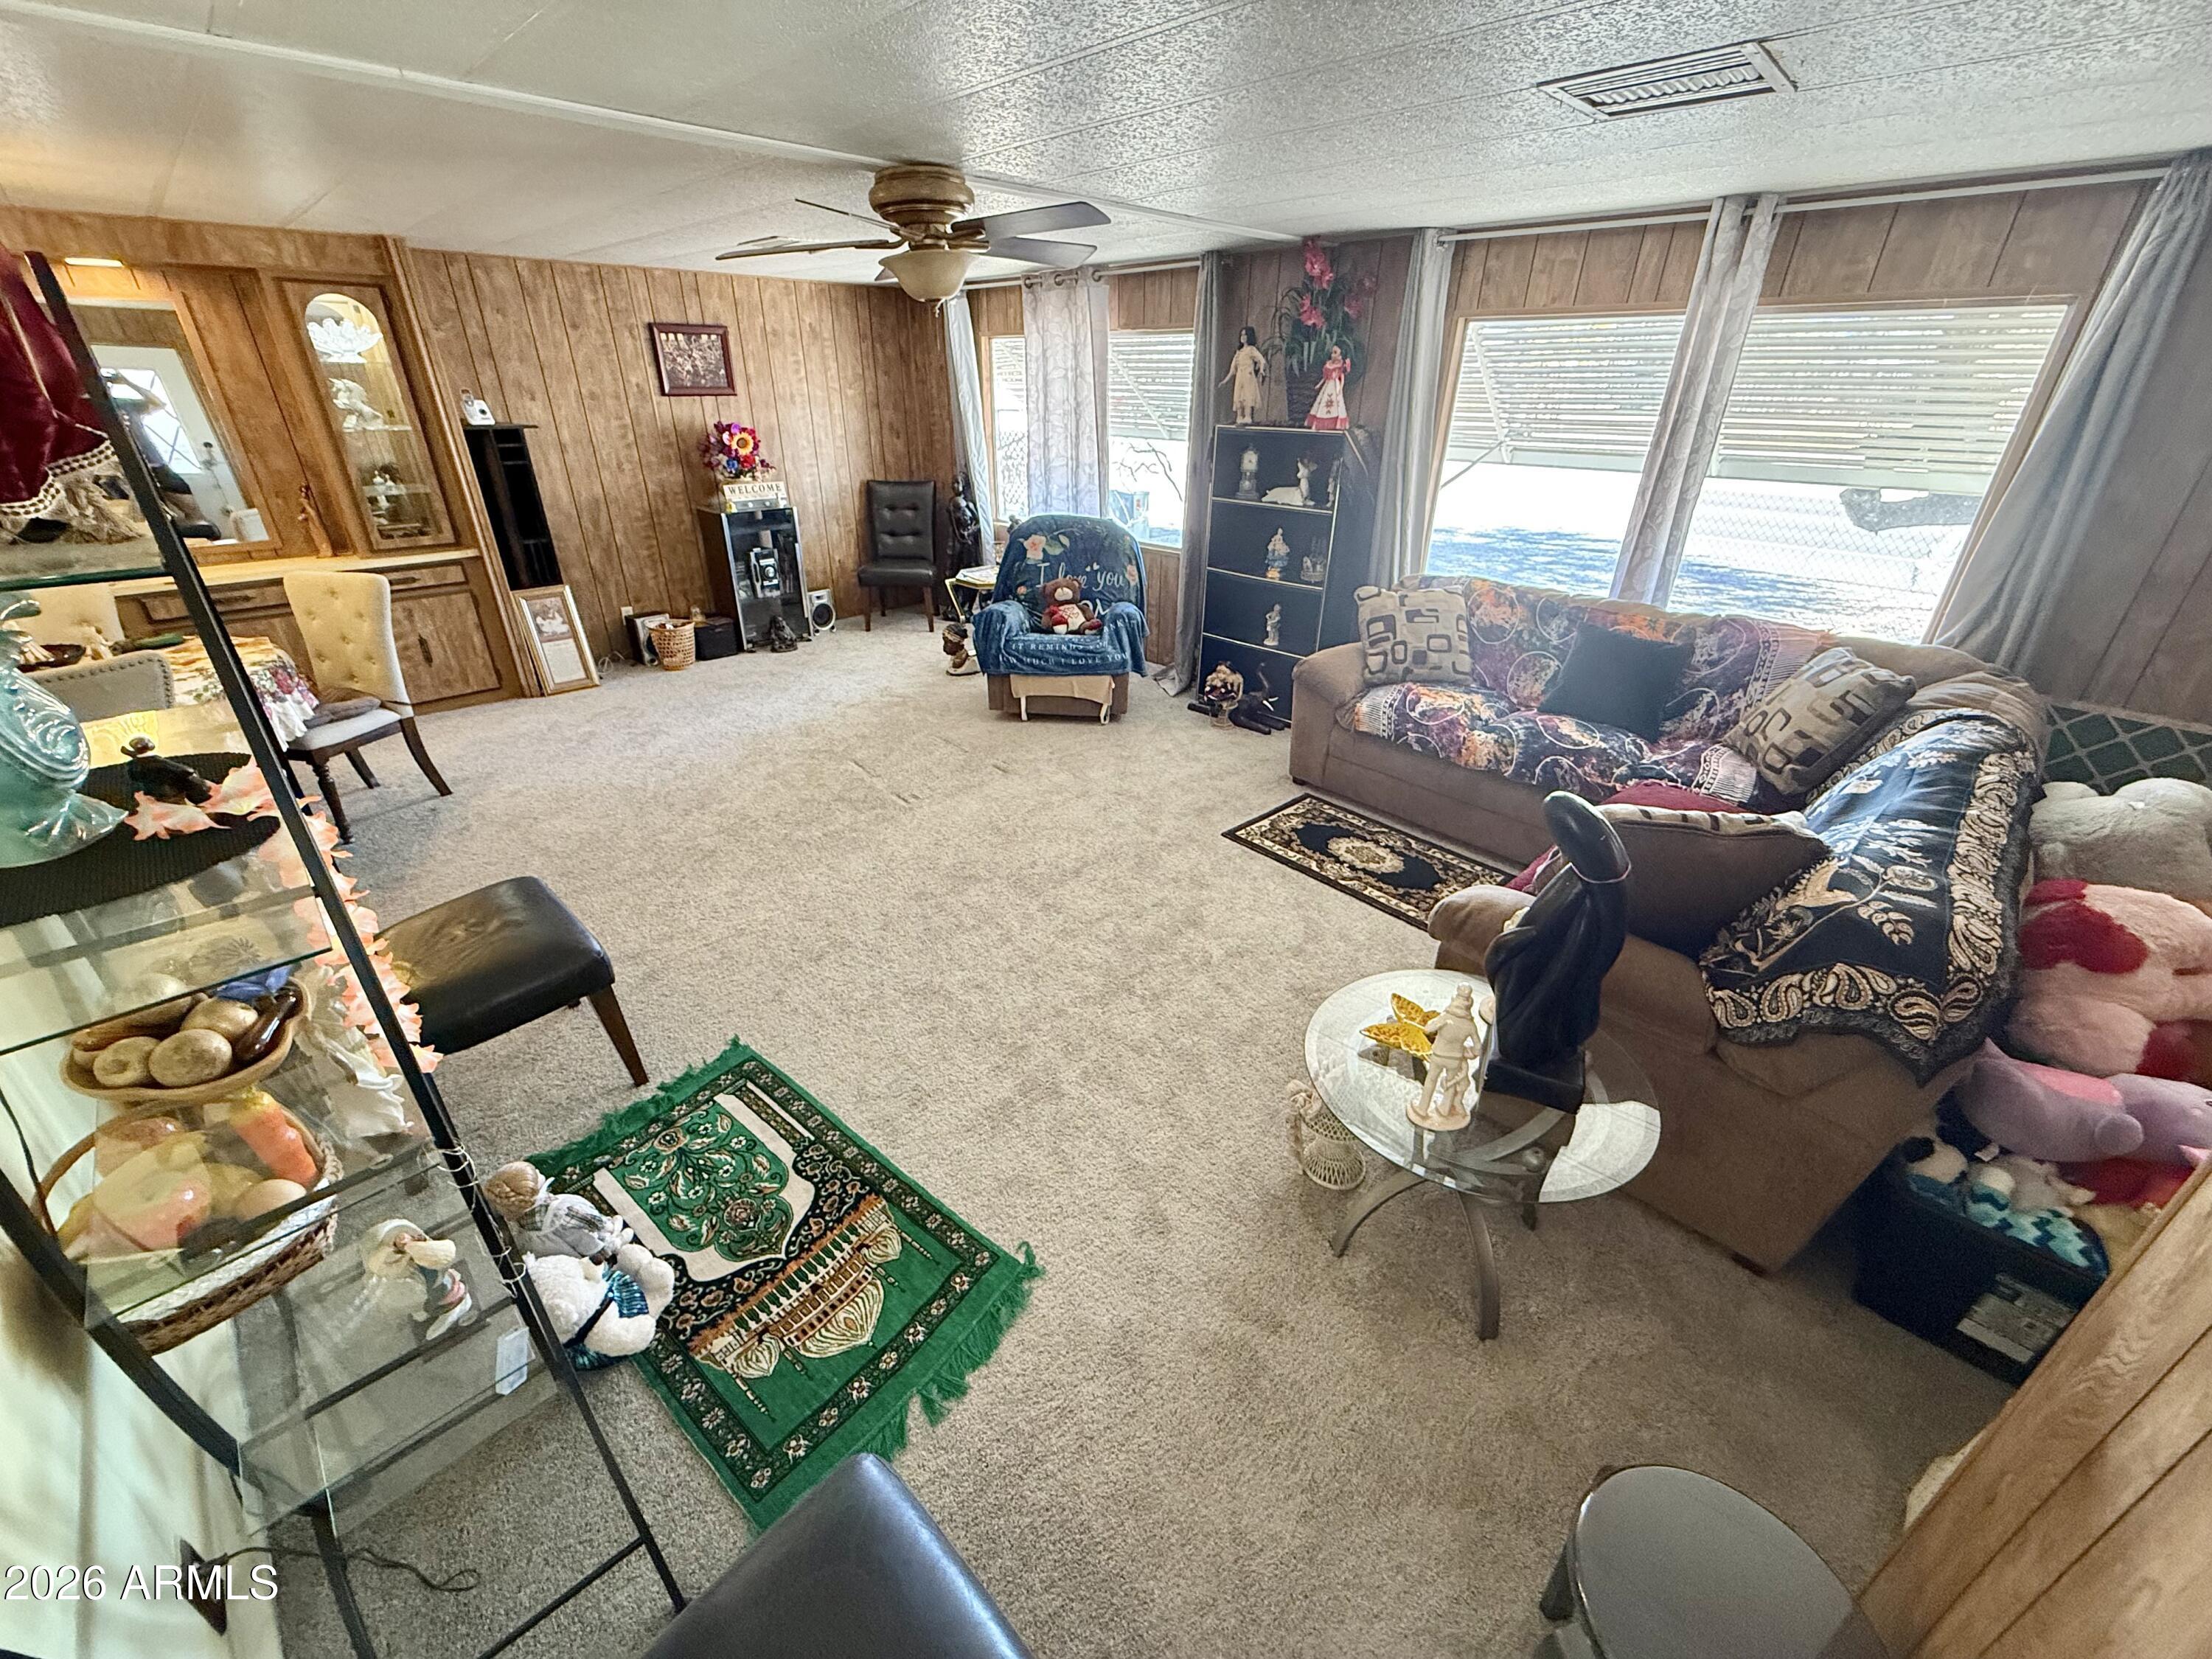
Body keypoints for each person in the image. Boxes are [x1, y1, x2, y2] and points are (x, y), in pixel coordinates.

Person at [1221, 325, 1267, 425]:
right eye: (1242, 335)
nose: (1243, 337)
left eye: (1245, 335)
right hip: (1240, 377)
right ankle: (1239, 416)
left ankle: (1248, 416)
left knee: (1248, 395)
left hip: (1248, 376)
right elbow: (1233, 370)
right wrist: (1225, 380)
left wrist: (1262, 370)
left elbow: (1261, 360)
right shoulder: (1239, 353)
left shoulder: (1251, 350)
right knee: (1239, 396)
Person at [1305, 342, 1350, 431]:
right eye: (1333, 353)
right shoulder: (1329, 364)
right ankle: (1319, 422)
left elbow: (1342, 377)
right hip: (1328, 385)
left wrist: (1340, 388)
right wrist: (1319, 384)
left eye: (1335, 353)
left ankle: (1336, 423)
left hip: (1335, 386)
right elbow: (1325, 377)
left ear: (1341, 356)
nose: (1333, 355)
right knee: (1322, 401)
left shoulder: (1339, 367)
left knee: (1336, 404)